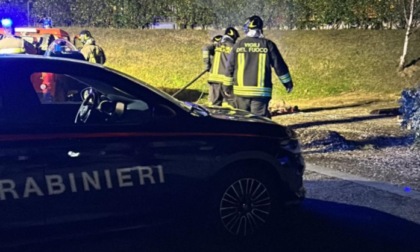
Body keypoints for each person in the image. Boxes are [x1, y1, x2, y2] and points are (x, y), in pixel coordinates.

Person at [224, 16, 293, 118]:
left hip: (241, 92)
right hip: (260, 93)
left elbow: (230, 67)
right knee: (259, 121)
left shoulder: (238, 44)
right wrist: (287, 83)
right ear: (261, 28)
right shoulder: (268, 44)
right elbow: (279, 66)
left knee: (242, 121)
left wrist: (227, 87)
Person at [202, 28, 239, 107]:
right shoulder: (234, 47)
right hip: (226, 80)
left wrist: (207, 64)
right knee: (230, 105)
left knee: (214, 105)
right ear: (234, 37)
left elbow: (205, 48)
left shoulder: (217, 45)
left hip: (214, 79)